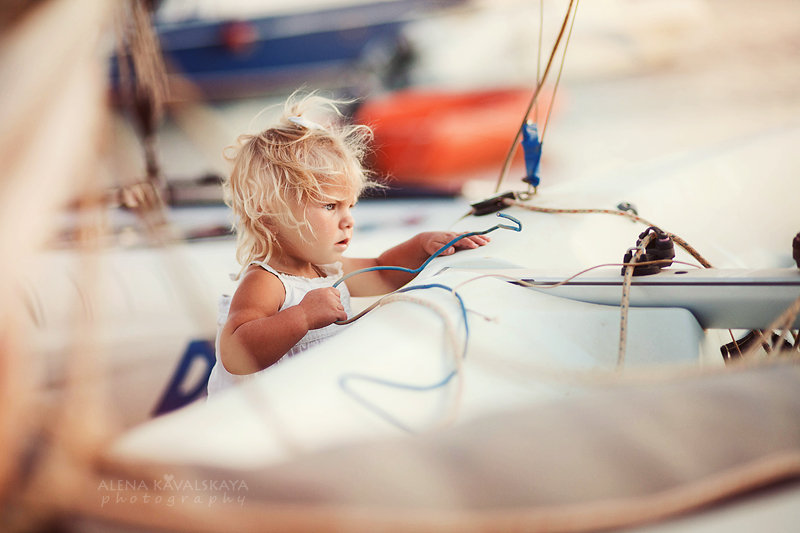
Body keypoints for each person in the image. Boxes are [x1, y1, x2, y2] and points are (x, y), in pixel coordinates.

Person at [207, 93, 489, 396]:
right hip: (273, 413)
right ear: (270, 216)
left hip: (319, 399)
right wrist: (302, 316)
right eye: (330, 206)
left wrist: (421, 245)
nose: (348, 221)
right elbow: (234, 352)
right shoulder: (267, 282)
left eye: (350, 206)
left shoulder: (327, 268)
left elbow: (382, 272)